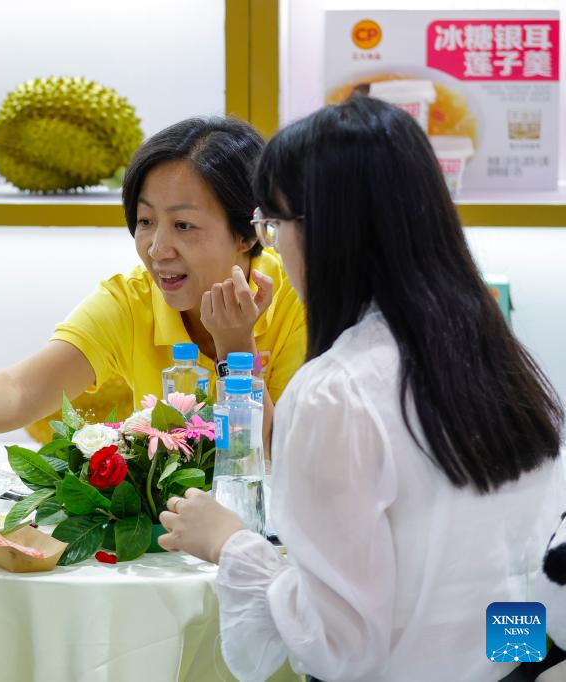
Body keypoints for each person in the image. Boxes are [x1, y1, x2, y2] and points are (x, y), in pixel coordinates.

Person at [157, 96, 564, 682]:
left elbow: (342, 646)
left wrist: (231, 545)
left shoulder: (336, 393)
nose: (273, 245)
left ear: (326, 233)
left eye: (273, 225)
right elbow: (520, 578)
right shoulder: (498, 359)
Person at [0, 117, 307, 458]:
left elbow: (278, 458)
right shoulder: (131, 299)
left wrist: (235, 348)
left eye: (183, 225)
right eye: (145, 221)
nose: (157, 248)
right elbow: (21, 390)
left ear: (247, 233)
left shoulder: (301, 298)